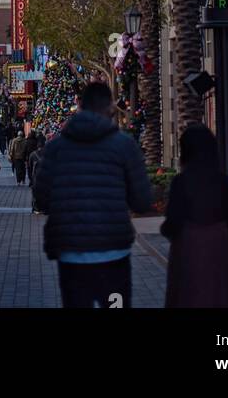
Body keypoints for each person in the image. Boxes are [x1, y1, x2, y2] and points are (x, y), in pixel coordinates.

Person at [33, 81, 153, 310]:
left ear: (80, 106)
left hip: (71, 255)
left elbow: (42, 197)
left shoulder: (56, 148)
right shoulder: (124, 146)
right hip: (114, 255)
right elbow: (142, 200)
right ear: (109, 107)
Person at [161, 125, 228, 309]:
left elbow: (172, 224)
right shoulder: (223, 182)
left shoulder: (181, 182)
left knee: (188, 297)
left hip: (188, 252)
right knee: (218, 297)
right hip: (219, 251)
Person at [29, 133, 46, 213]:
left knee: (35, 193)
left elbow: (29, 167)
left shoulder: (32, 154)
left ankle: (36, 209)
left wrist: (30, 179)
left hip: (35, 176)